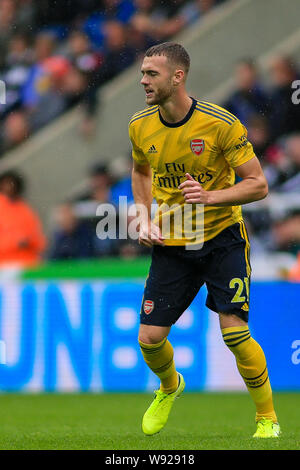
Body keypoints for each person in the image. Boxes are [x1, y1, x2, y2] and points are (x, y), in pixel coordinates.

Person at [129, 42, 280, 439]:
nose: (143, 80)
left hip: (220, 238)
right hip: (173, 243)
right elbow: (141, 171)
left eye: (152, 74)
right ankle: (169, 386)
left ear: (178, 77)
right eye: (143, 72)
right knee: (149, 339)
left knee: (235, 333)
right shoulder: (139, 125)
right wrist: (144, 215)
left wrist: (211, 196)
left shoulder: (220, 123)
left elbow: (258, 184)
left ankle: (267, 419)